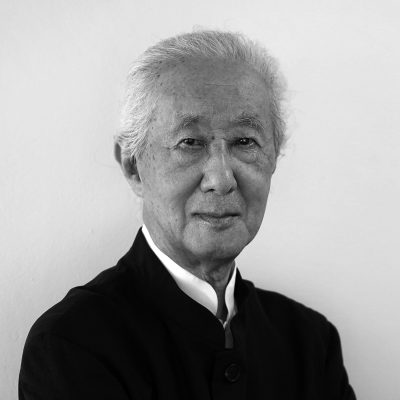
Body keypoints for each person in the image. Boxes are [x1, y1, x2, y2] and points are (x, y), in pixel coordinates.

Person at [19, 30, 356, 399]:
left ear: (273, 158)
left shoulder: (310, 342)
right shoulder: (72, 346)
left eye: (245, 141)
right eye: (190, 143)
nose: (221, 179)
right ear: (133, 167)